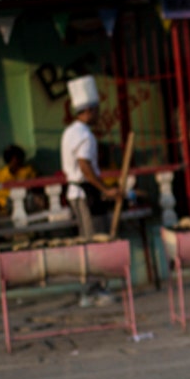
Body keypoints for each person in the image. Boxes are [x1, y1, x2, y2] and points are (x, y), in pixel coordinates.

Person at [62, 76, 120, 307]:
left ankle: (93, 288)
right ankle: (93, 289)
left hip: (78, 194)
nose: (98, 114)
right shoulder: (84, 135)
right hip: (86, 194)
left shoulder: (70, 132)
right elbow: (85, 166)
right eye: (96, 110)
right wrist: (105, 189)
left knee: (89, 242)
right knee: (94, 243)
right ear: (88, 110)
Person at [0, 144, 39, 213]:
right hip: (6, 205)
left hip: (25, 201)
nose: (17, 161)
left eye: (19, 157)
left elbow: (37, 180)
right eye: (14, 158)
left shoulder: (28, 170)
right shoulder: (0, 174)